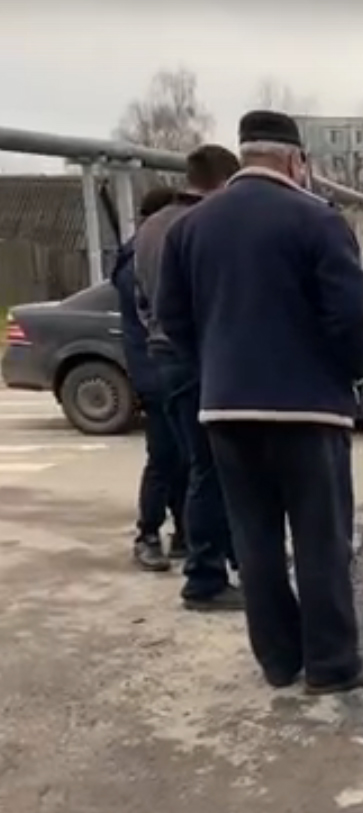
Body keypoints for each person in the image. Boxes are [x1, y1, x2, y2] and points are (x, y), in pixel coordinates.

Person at [154, 110, 363, 694]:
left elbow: (173, 320)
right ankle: (332, 665)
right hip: (308, 411)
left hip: (227, 410)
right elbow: (350, 314)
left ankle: (279, 662)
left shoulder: (191, 227)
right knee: (320, 539)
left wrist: (218, 369)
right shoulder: (318, 221)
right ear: (295, 160)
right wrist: (348, 374)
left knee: (254, 539)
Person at [133, 145, 243, 611]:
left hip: (165, 356)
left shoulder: (150, 228)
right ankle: (205, 577)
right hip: (197, 355)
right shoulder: (205, 226)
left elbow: (144, 302)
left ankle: (227, 558)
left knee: (202, 466)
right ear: (222, 182)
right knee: (213, 469)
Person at [115, 185, 186, 571]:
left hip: (164, 367)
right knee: (163, 458)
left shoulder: (142, 251)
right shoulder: (138, 259)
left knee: (182, 458)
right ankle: (148, 534)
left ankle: (184, 532)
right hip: (155, 370)